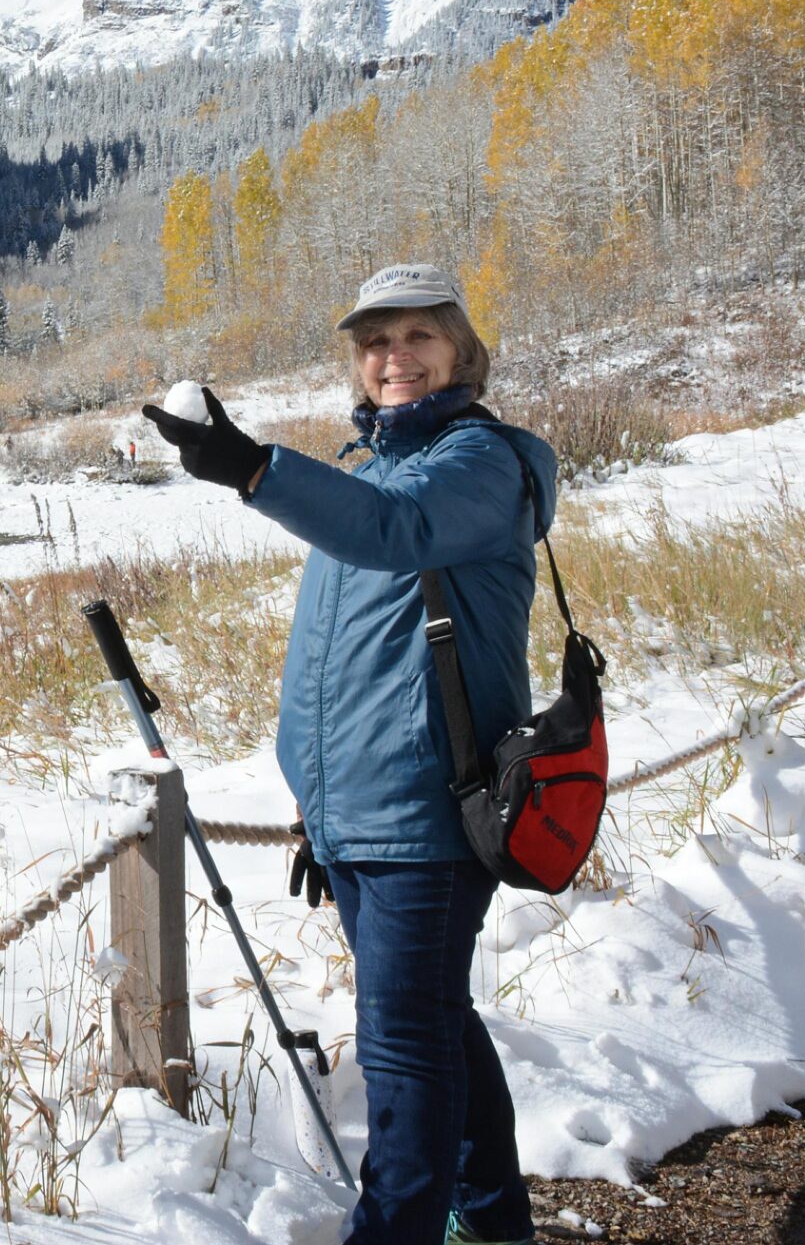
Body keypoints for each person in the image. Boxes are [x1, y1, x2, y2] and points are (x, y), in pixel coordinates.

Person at [142, 262, 551, 1245]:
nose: (392, 356)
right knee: (434, 1024)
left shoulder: (479, 465)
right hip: (358, 815)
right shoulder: (363, 469)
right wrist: (316, 800)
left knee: (404, 1050)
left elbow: (396, 533)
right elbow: (344, 662)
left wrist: (252, 467)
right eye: (374, 341)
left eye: (416, 335)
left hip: (429, 812)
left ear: (460, 349)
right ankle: (492, 1225)